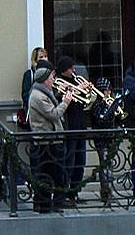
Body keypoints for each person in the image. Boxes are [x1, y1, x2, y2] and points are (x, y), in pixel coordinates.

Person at [27, 61, 73, 213]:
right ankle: (44, 205)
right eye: (51, 77)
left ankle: (50, 203)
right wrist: (65, 102)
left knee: (54, 173)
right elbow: (54, 114)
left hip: (52, 140)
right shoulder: (38, 96)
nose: (54, 80)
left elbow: (51, 104)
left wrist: (60, 93)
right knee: (47, 174)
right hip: (46, 142)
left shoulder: (45, 92)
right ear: (44, 80)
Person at [54, 56, 88, 205]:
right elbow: (58, 101)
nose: (73, 70)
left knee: (81, 161)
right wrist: (75, 90)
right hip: (69, 127)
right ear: (64, 69)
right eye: (70, 68)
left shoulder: (75, 81)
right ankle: (63, 194)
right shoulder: (58, 83)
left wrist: (87, 90)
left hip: (81, 126)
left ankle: (74, 193)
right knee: (69, 161)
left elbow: (87, 102)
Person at [89, 77, 123, 204]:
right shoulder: (97, 104)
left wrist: (117, 111)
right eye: (105, 90)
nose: (108, 93)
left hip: (110, 137)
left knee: (110, 165)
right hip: (101, 138)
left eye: (109, 90)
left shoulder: (110, 101)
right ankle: (105, 192)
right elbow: (100, 119)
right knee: (104, 165)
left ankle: (110, 191)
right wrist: (109, 108)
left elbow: (117, 119)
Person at [20, 47, 49, 129]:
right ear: (35, 60)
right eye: (41, 57)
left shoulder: (50, 74)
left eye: (45, 56)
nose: (44, 59)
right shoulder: (30, 74)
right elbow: (25, 94)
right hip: (35, 112)